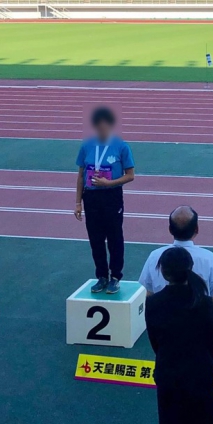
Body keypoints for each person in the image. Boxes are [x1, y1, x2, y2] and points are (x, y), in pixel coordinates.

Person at [146, 247, 213, 424]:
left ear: (163, 272)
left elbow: (155, 341)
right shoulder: (204, 302)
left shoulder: (155, 303)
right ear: (189, 269)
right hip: (200, 376)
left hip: (169, 376)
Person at [139, 206, 213, 349]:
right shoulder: (210, 259)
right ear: (197, 229)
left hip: (166, 324)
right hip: (199, 325)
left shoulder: (154, 256)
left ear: (170, 229)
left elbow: (149, 295)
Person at [74, 106, 135, 294]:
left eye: (104, 125)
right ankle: (101, 276)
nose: (101, 129)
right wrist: (77, 202)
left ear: (109, 125)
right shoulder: (86, 146)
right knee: (95, 238)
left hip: (111, 196)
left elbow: (130, 175)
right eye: (97, 126)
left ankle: (115, 276)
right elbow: (80, 175)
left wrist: (109, 183)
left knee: (115, 237)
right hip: (91, 197)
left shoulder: (121, 147)